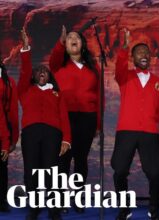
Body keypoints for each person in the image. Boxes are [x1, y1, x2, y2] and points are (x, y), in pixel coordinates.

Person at [112, 29, 159, 220]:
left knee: (154, 173)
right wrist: (125, 46)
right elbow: (119, 66)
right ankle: (123, 209)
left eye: (147, 52)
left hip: (149, 133)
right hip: (126, 131)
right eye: (139, 52)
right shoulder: (125, 77)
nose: (144, 55)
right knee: (120, 170)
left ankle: (154, 210)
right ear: (133, 57)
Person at [18, 29, 71, 220]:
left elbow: (64, 117)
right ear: (33, 76)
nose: (42, 72)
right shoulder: (25, 90)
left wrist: (66, 139)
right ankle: (34, 208)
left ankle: (53, 210)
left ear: (49, 76)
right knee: (31, 171)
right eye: (38, 71)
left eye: (45, 71)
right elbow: (24, 70)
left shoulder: (57, 94)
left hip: (53, 134)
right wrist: (25, 48)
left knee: (51, 172)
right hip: (31, 133)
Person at [49, 26, 101, 213]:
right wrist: (60, 42)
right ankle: (61, 199)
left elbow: (99, 97)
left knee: (81, 160)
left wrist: (98, 123)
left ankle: (78, 198)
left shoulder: (93, 69)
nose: (73, 39)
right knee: (63, 160)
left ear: (83, 45)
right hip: (64, 117)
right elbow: (54, 57)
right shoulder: (59, 65)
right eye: (69, 37)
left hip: (87, 118)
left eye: (76, 38)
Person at [0, 59, 18, 213]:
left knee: (2, 166)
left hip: (3, 126)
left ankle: (2, 200)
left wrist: (13, 138)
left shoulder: (9, 82)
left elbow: (12, 111)